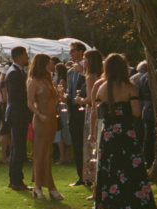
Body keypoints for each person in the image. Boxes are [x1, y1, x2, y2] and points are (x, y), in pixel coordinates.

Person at [93, 53, 157, 209]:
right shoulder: (129, 88)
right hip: (125, 134)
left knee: (110, 170)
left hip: (108, 134)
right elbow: (137, 112)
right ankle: (134, 206)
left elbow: (97, 111)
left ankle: (111, 208)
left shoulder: (102, 88)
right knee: (130, 169)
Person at [26, 53, 63, 200]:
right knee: (40, 152)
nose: (52, 65)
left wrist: (59, 97)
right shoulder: (34, 81)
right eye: (49, 63)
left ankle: (48, 185)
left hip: (52, 119)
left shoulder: (49, 80)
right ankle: (39, 186)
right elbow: (29, 103)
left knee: (47, 152)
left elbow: (53, 100)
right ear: (42, 64)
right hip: (42, 120)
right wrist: (40, 115)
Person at [4, 46, 31, 191]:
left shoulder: (18, 72)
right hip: (17, 113)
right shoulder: (14, 73)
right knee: (18, 147)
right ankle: (16, 180)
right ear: (20, 55)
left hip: (18, 113)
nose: (28, 57)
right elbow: (15, 95)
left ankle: (15, 179)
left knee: (18, 147)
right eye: (26, 54)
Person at [82, 49, 104, 192]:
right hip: (100, 112)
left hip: (92, 112)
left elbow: (90, 99)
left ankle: (92, 179)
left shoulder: (91, 77)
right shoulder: (101, 75)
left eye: (84, 58)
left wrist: (80, 100)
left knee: (91, 146)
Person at [66, 41, 87, 186]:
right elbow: (70, 91)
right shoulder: (70, 72)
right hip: (73, 112)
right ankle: (81, 176)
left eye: (73, 50)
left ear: (81, 52)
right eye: (70, 51)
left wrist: (83, 72)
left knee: (88, 145)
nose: (70, 53)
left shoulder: (89, 68)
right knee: (77, 145)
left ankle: (90, 176)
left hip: (85, 111)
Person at [130, 60, 156, 167]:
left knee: (142, 134)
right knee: (149, 134)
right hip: (148, 108)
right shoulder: (148, 77)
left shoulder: (132, 78)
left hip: (140, 109)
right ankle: (148, 159)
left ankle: (144, 158)